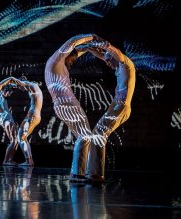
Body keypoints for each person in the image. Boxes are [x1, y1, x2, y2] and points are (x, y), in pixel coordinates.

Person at [79, 39, 136, 182]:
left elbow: (117, 54)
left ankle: (96, 175)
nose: (108, 64)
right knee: (95, 135)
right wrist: (87, 48)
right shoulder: (117, 66)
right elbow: (103, 56)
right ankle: (91, 172)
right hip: (115, 106)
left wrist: (107, 46)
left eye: (109, 61)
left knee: (99, 134)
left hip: (121, 107)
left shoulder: (126, 64)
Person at [45, 34, 97, 181]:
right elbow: (71, 42)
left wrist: (87, 48)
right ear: (66, 54)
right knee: (85, 136)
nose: (73, 63)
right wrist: (90, 37)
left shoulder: (57, 64)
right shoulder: (56, 60)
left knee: (84, 136)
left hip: (62, 104)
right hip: (67, 104)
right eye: (72, 59)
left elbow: (76, 50)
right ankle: (77, 173)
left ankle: (80, 172)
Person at [0, 76, 43, 166]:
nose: (22, 89)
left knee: (19, 138)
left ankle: (26, 161)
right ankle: (22, 161)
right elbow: (1, 85)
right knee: (18, 139)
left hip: (32, 116)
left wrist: (12, 80)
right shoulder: (33, 86)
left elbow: (20, 84)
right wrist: (9, 82)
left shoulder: (30, 85)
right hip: (12, 118)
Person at [0, 83, 19, 166]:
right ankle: (5, 161)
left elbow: (10, 86)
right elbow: (0, 85)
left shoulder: (3, 97)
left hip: (9, 119)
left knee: (16, 141)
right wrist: (13, 81)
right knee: (13, 141)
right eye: (9, 92)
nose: (10, 94)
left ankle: (10, 160)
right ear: (4, 91)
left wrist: (15, 84)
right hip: (6, 120)